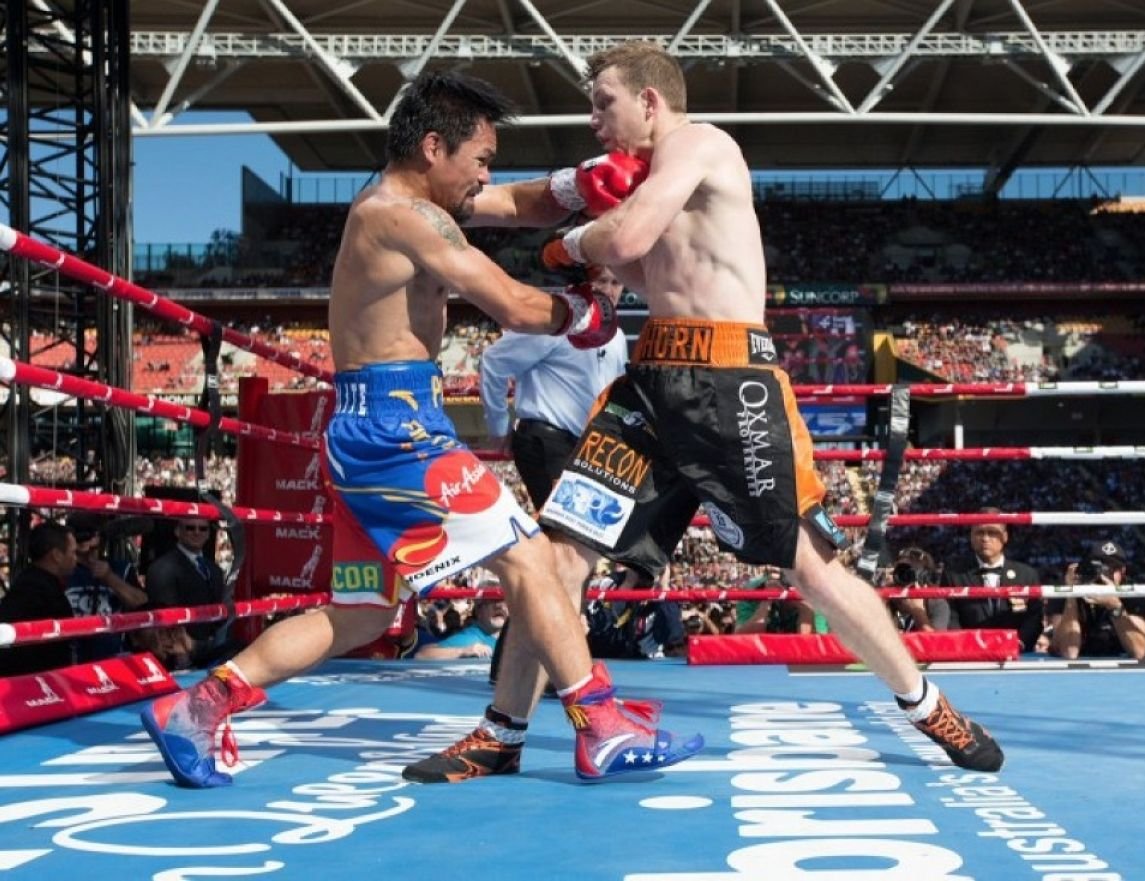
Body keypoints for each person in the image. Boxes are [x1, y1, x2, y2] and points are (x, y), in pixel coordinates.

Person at [437, 40, 1003, 775]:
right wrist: (441, 195)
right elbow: (597, 239)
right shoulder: (639, 179)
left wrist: (566, 245)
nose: (593, 119)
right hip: (651, 382)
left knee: (811, 565)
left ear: (649, 101)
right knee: (561, 550)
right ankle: (502, 732)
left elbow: (621, 237)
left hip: (728, 380)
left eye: (603, 102)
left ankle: (930, 706)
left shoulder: (701, 145)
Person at [140, 70, 702, 789]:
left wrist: (576, 184)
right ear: (435, 147)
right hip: (396, 429)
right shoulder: (401, 216)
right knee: (530, 562)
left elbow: (513, 204)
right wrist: (578, 314)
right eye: (480, 159)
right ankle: (601, 723)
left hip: (373, 425)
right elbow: (508, 302)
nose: (486, 176)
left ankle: (197, 704)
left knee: (361, 614)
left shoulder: (413, 202)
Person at [479, 263, 629, 682]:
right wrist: (496, 428)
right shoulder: (555, 318)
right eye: (602, 281)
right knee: (567, 553)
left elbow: (613, 395)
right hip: (546, 440)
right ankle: (548, 669)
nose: (611, 291)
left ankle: (538, 667)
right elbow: (493, 361)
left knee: (571, 556)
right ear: (581, 283)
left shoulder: (614, 335)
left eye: (616, 283)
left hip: (585, 446)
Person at [1048, 540, 1145, 660]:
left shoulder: (1131, 591)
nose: (1104, 575)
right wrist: (1071, 595)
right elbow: (1069, 652)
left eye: (1112, 569)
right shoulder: (1070, 588)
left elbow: (1138, 651)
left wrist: (1115, 606)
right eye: (1100, 568)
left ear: (1123, 572)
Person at [942, 511, 1043, 651]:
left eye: (992, 532)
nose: (985, 538)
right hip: (969, 655)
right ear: (971, 537)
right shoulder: (953, 575)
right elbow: (951, 617)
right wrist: (965, 646)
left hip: (1017, 655)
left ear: (1005, 536)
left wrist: (1019, 643)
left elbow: (1034, 617)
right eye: (979, 533)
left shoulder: (1026, 574)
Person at [145, 517, 236, 668]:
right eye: (190, 528)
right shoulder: (162, 568)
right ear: (177, 531)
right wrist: (182, 652)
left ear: (208, 534)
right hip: (180, 654)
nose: (196, 532)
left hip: (211, 649)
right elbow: (165, 615)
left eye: (202, 529)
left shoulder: (214, 570)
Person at [66, 512, 148, 662]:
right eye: (78, 532)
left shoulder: (121, 568)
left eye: (90, 533)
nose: (84, 539)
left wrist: (109, 578)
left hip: (113, 656)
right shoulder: (61, 570)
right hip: (72, 657)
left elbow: (142, 604)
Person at [0, 521, 78, 677]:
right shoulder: (32, 589)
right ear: (56, 555)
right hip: (34, 685)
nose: (76, 558)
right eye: (72, 552)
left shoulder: (35, 583)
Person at [415, 596, 508, 660]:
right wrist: (463, 651)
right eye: (491, 601)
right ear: (479, 611)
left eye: (504, 601)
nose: (499, 606)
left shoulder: (514, 637)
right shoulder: (471, 638)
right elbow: (422, 654)